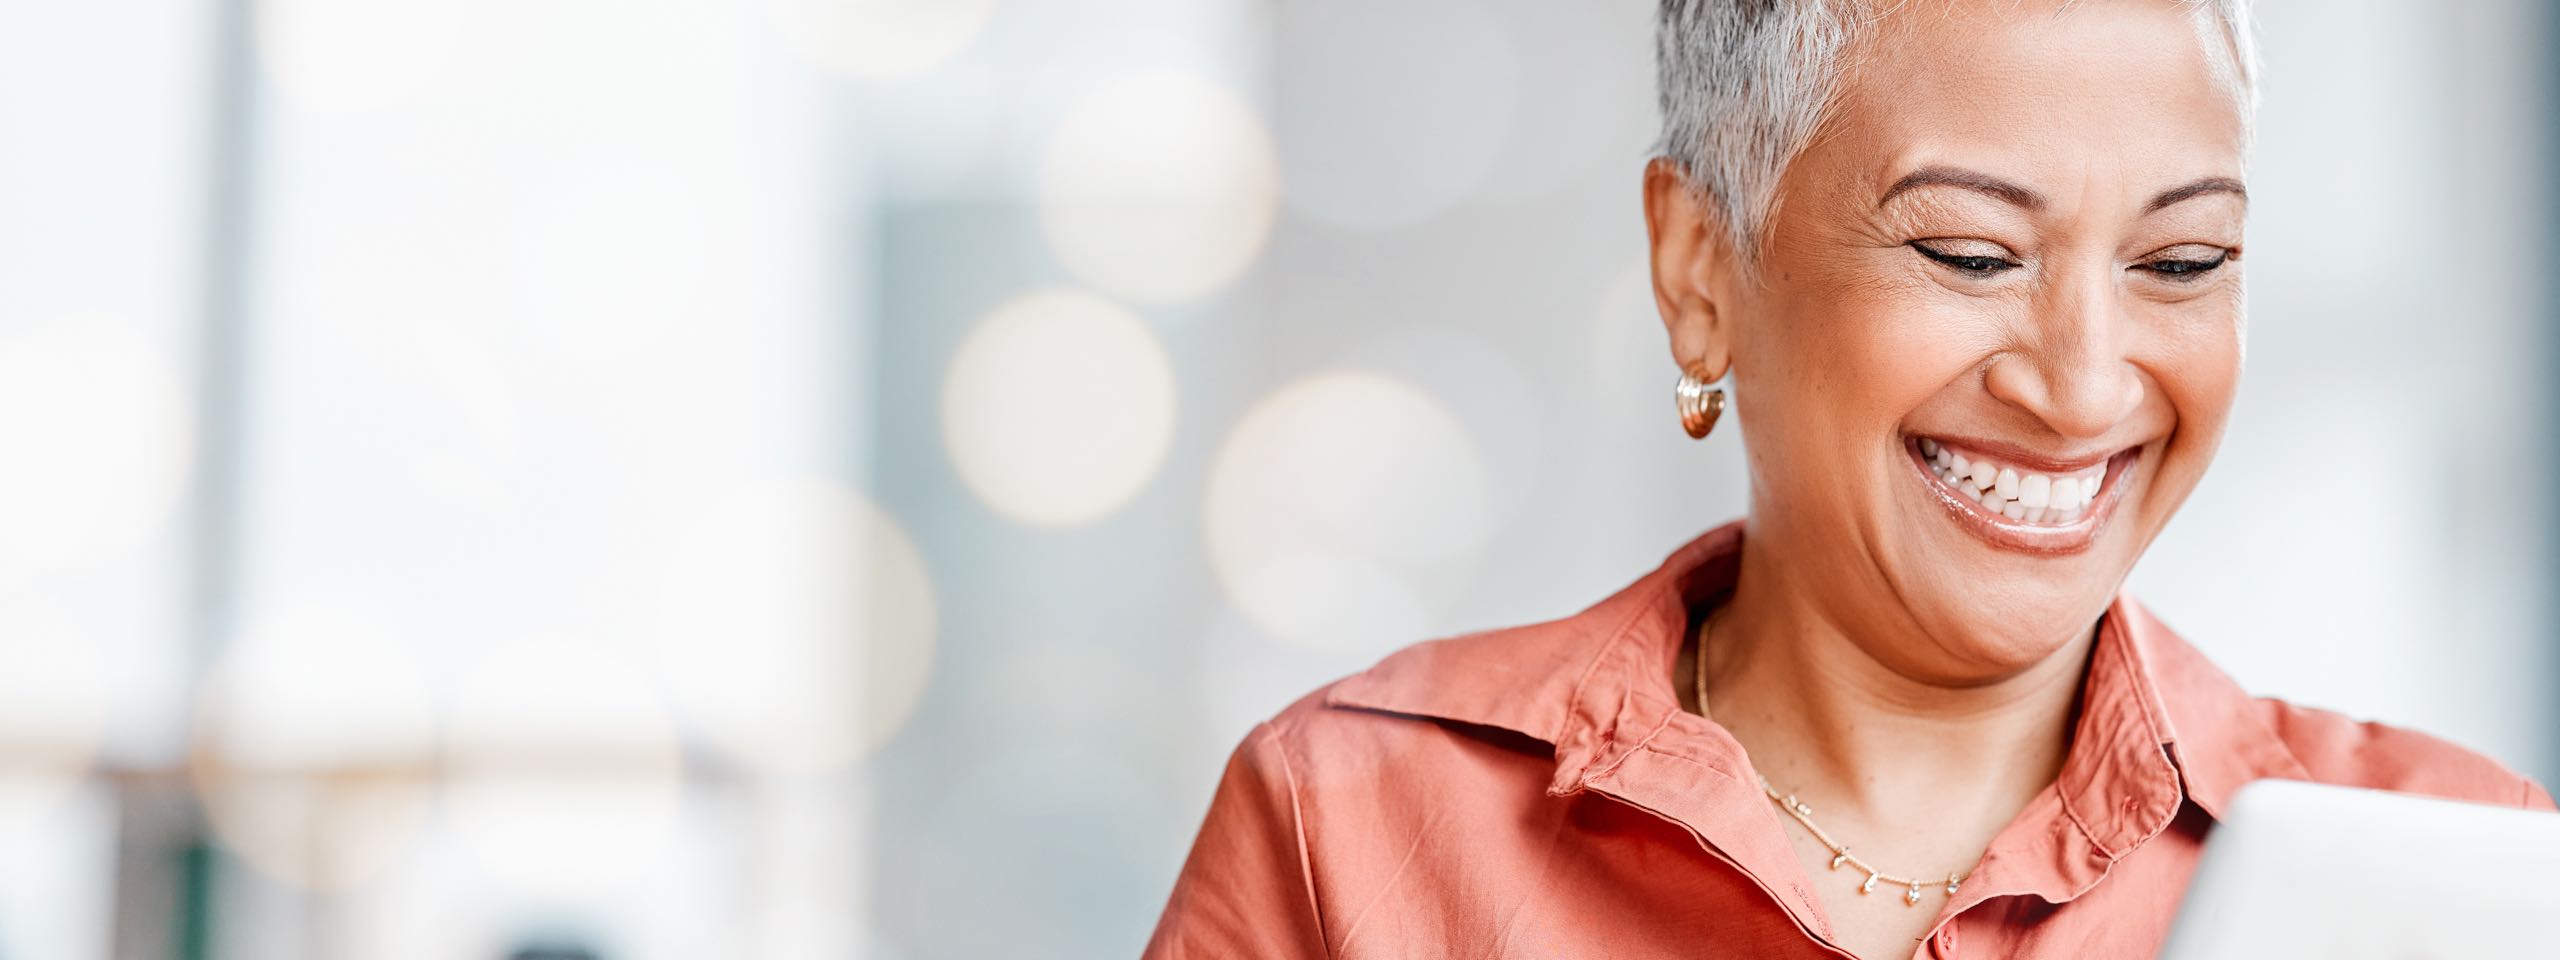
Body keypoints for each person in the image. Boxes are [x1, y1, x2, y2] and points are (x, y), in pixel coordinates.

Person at [1144, 1, 2554, 958]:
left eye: (2181, 263)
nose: (2080, 385)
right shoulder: (1353, 824)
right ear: (1701, 270)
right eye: (1970, 254)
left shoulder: (2457, 872)